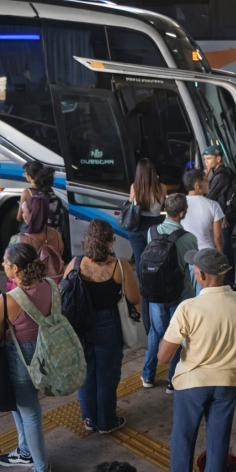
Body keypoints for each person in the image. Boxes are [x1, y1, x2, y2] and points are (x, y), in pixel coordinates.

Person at [158, 248, 236, 472]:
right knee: (218, 444)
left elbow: (163, 356)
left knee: (183, 438)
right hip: (227, 383)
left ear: (201, 275)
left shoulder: (188, 308)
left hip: (191, 384)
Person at [0, 243, 54, 472]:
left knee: (29, 411)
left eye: (4, 262)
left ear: (15, 267)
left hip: (20, 359)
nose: (2, 265)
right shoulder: (51, 286)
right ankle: (24, 450)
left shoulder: (7, 300)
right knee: (23, 406)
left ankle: (41, 469)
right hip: (45, 356)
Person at [63, 220, 140, 434]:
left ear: (87, 240)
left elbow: (64, 292)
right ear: (109, 242)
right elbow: (133, 298)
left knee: (86, 373)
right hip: (107, 324)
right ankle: (107, 422)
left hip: (80, 325)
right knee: (107, 375)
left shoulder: (75, 264)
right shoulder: (119, 266)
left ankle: (90, 419)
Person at [141, 194, 198, 392]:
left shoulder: (151, 231)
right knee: (177, 336)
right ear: (182, 213)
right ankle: (172, 381)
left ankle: (148, 375)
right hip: (180, 294)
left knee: (156, 334)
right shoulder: (189, 238)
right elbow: (191, 266)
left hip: (156, 293)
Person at [127, 158, 167, 332]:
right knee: (157, 269)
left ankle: (147, 324)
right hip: (156, 229)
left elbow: (131, 206)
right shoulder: (162, 188)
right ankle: (160, 314)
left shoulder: (135, 187)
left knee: (141, 272)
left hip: (136, 230)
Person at [204, 145, 236, 285]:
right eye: (205, 159)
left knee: (225, 247)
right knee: (226, 245)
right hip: (226, 214)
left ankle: (228, 281)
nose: (206, 162)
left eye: (208, 159)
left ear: (218, 158)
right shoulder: (226, 172)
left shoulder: (220, 176)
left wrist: (204, 180)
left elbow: (210, 198)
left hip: (224, 217)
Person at [181, 169, 224, 252]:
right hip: (206, 252)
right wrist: (220, 258)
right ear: (197, 185)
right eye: (206, 180)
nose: (208, 183)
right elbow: (218, 238)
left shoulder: (178, 203)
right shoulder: (213, 205)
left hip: (184, 252)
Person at [16, 161, 44, 231]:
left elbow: (19, 218)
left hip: (33, 230)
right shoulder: (48, 189)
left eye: (25, 174)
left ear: (29, 176)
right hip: (47, 228)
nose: (25, 175)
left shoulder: (27, 192)